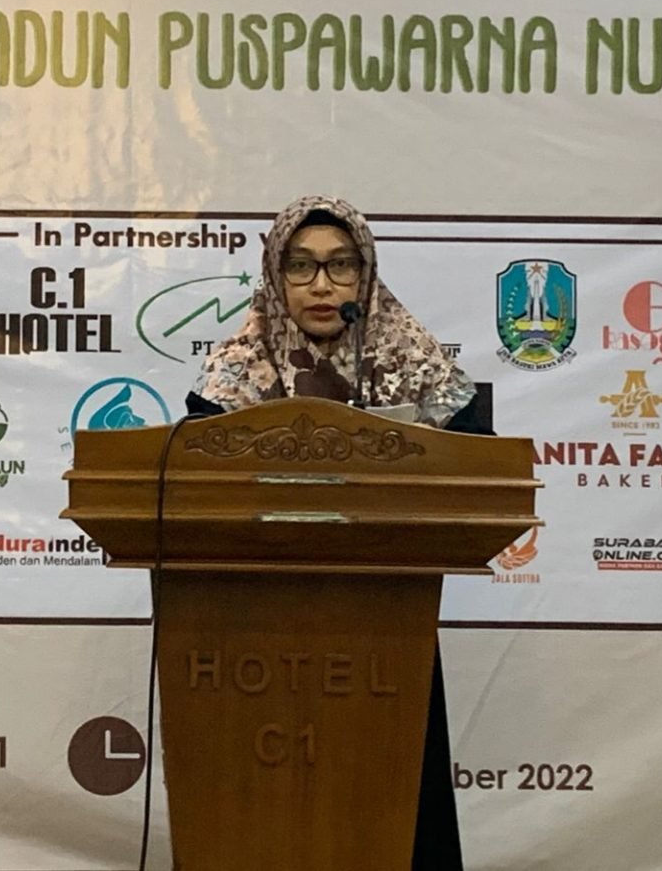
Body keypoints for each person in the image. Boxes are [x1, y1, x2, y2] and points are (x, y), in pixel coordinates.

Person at [186, 194, 489, 870]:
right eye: (301, 266)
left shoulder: (414, 365)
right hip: (255, 630)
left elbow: (478, 465)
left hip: (386, 625)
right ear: (275, 277)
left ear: (365, 275)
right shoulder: (232, 376)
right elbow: (197, 483)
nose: (321, 285)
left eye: (340, 265)